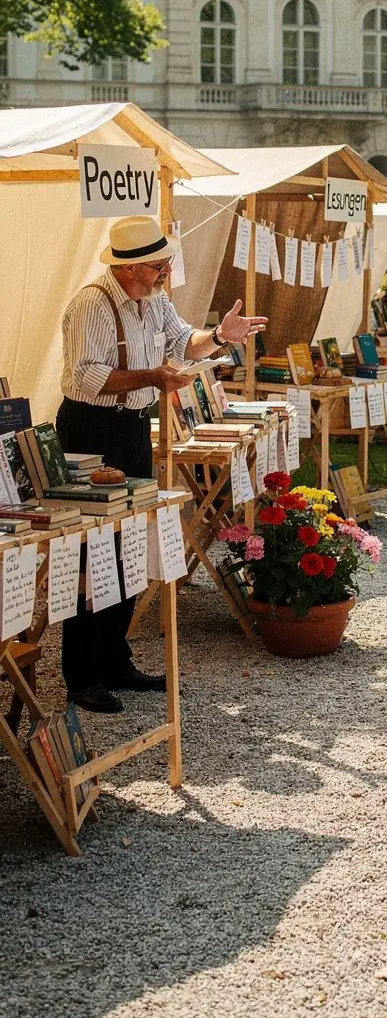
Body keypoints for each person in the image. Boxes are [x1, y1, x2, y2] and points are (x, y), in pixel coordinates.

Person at [58, 214, 267, 713]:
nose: (166, 272)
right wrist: (151, 377)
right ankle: (81, 676)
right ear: (130, 269)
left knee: (131, 546)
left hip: (130, 430)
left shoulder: (153, 300)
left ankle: (115, 659)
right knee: (90, 554)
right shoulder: (92, 304)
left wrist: (218, 334)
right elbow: (85, 379)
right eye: (159, 265)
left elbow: (182, 341)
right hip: (89, 430)